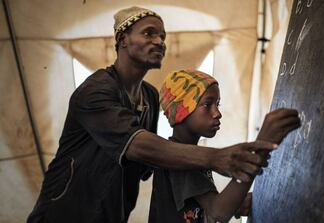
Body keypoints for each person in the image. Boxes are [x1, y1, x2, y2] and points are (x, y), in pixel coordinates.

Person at [27, 6, 300, 223]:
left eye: (163, 36)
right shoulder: (95, 91)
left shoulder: (148, 96)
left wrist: (229, 197)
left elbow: (155, 162)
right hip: (65, 214)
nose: (159, 41)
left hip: (110, 215)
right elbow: (137, 146)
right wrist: (217, 157)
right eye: (148, 33)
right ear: (123, 39)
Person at [149, 69, 298, 223]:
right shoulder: (177, 158)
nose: (217, 113)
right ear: (181, 111)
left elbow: (205, 206)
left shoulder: (194, 155)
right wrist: (262, 145)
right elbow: (218, 212)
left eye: (217, 104)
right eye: (207, 105)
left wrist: (237, 203)